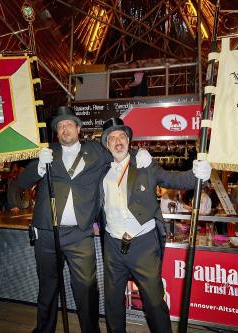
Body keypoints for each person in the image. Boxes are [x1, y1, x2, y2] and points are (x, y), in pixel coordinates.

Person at [17, 106, 152, 333]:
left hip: (80, 234)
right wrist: (39, 167)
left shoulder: (96, 151)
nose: (64, 129)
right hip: (47, 233)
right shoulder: (47, 151)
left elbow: (119, 149)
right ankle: (44, 330)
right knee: (47, 287)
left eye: (69, 124)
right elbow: (21, 183)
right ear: (56, 133)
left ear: (78, 128)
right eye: (60, 126)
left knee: (87, 289)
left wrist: (139, 153)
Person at [98, 117, 211, 333]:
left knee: (154, 302)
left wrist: (198, 175)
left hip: (143, 245)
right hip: (112, 246)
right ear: (107, 145)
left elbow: (171, 179)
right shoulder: (102, 171)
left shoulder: (145, 165)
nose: (118, 141)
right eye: (112, 138)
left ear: (129, 141)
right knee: (112, 303)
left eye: (122, 136)